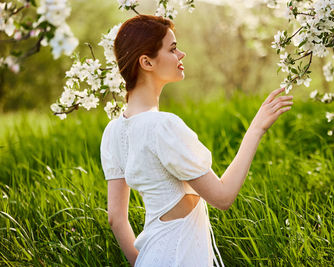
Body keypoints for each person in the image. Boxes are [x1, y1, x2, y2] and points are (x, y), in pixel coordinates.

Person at [100, 14, 293, 267]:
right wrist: (256, 129)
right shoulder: (163, 126)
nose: (182, 55)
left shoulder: (113, 130)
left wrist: (144, 262)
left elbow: (115, 218)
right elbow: (223, 197)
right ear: (146, 62)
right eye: (172, 49)